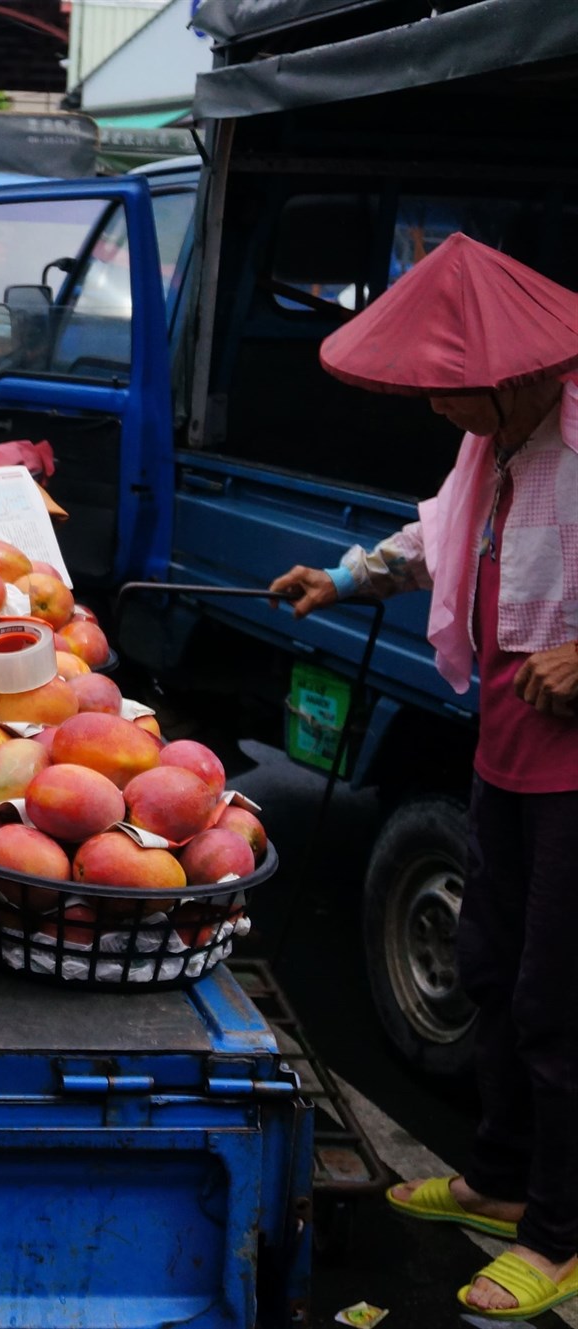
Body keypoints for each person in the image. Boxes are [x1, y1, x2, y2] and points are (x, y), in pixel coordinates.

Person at [271, 233, 578, 1319]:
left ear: (519, 373)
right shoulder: (490, 446)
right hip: (508, 739)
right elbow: (439, 537)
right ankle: (498, 1181)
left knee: (556, 1000)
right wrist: (346, 578)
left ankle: (558, 1233)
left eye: (454, 395)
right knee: (491, 969)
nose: (440, 414)